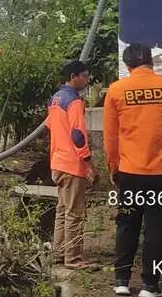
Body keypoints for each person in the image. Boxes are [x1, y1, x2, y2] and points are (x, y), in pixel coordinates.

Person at [103, 43, 162, 297]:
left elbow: (111, 137)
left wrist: (113, 167)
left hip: (130, 173)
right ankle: (150, 285)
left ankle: (122, 281)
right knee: (157, 229)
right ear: (151, 62)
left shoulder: (116, 91)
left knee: (127, 224)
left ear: (127, 66)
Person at [46, 60, 97, 270]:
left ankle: (58, 254)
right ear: (74, 76)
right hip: (71, 164)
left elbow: (51, 126)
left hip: (57, 162)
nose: (87, 80)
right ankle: (73, 259)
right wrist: (89, 163)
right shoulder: (74, 101)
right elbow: (77, 135)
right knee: (74, 213)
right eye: (84, 76)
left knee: (62, 211)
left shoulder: (55, 99)